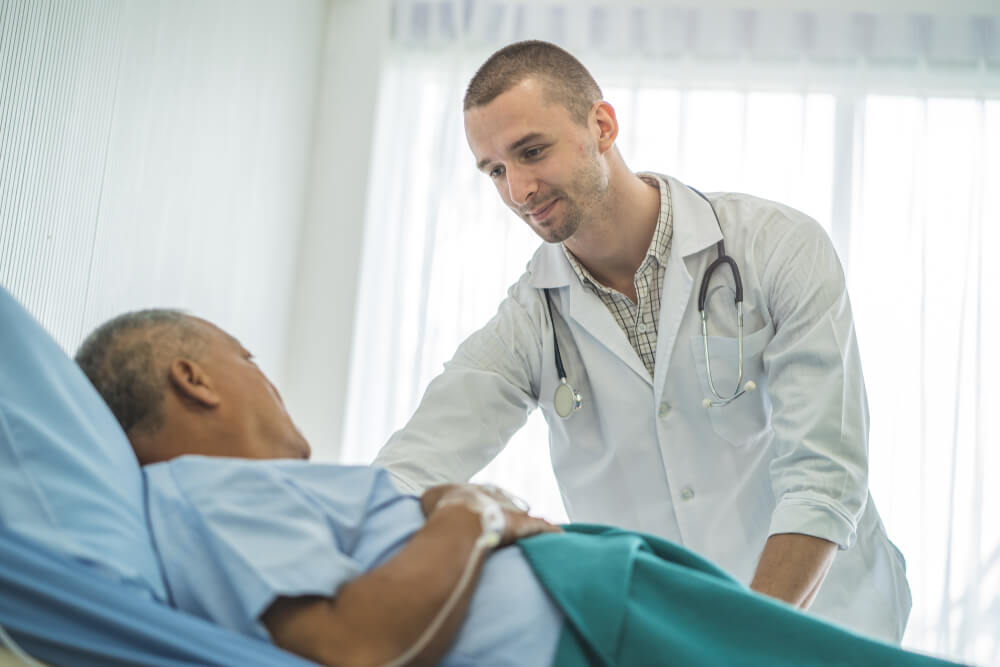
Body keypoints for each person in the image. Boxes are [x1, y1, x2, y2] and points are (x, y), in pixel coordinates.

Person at [372, 40, 910, 643]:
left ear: (601, 125)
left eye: (532, 151)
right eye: (495, 170)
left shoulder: (776, 248)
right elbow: (408, 469)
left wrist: (741, 642)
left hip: (829, 622)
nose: (518, 191)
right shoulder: (529, 320)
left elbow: (824, 477)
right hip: (669, 638)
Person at [74, 310, 946, 667]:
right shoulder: (203, 493)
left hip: (592, 598)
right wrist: (473, 510)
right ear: (195, 378)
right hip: (587, 617)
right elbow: (358, 642)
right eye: (250, 360)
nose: (270, 382)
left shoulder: (235, 498)